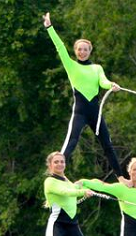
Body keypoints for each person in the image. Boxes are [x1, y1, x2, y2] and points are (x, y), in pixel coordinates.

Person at [43, 11, 123, 178]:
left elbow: (103, 81)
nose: (82, 52)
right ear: (75, 51)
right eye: (79, 49)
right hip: (80, 112)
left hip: (95, 113)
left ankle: (122, 178)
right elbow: (59, 46)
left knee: (107, 144)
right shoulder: (71, 65)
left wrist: (111, 85)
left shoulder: (97, 68)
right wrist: (50, 27)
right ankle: (57, 174)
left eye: (85, 49)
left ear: (90, 51)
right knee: (72, 141)